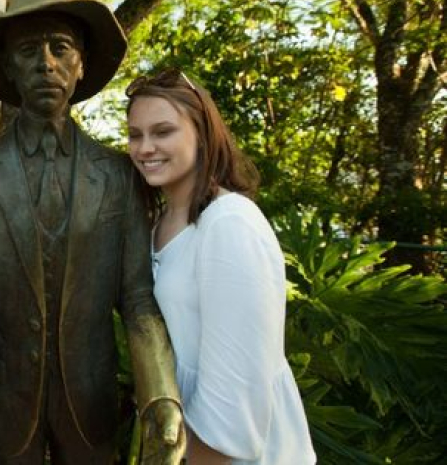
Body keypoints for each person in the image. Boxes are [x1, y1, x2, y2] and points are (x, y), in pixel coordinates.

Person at [0, 0, 185, 465]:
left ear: (80, 63)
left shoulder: (119, 175)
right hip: (4, 409)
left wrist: (160, 396)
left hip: (93, 404)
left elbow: (137, 298)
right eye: (28, 51)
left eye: (59, 48)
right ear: (7, 66)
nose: (45, 63)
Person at [125, 68, 316, 464]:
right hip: (182, 436)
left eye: (162, 132)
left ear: (202, 131)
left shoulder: (229, 223)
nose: (145, 148)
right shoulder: (160, 222)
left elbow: (234, 404)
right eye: (135, 135)